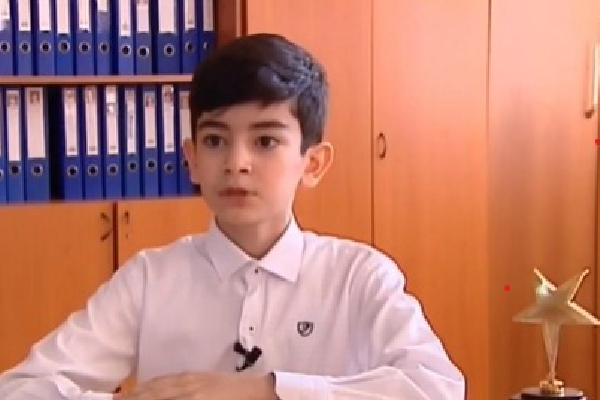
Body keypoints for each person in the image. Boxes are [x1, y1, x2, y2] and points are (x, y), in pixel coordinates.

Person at [0, 33, 465, 400]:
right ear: (191, 159)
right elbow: (19, 388)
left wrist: (266, 391)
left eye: (265, 141)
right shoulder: (150, 280)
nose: (236, 163)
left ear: (313, 163)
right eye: (215, 141)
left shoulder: (357, 276)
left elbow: (437, 387)